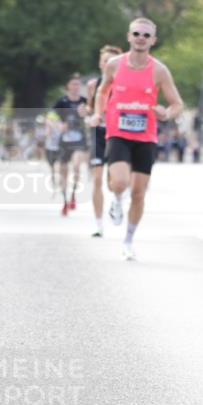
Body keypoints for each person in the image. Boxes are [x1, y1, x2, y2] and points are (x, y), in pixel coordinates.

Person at [90, 17, 184, 260]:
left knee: (139, 193)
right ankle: (116, 199)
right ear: (129, 37)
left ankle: (128, 240)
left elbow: (177, 104)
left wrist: (166, 113)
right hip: (118, 132)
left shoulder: (159, 70)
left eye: (146, 35)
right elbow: (102, 91)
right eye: (136, 34)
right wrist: (98, 113)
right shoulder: (114, 65)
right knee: (119, 182)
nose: (141, 38)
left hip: (146, 136)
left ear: (153, 40)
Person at [86, 45, 122, 237]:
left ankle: (116, 201)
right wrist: (88, 112)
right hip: (98, 135)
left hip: (116, 134)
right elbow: (90, 107)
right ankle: (99, 224)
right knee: (97, 179)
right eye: (105, 60)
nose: (107, 63)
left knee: (113, 182)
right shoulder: (93, 85)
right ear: (100, 64)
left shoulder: (122, 83)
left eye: (111, 60)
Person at [53, 74, 88, 216]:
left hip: (79, 140)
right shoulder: (61, 102)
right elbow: (51, 118)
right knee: (63, 172)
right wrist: (59, 125)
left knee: (76, 166)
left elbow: (91, 115)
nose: (76, 87)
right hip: (64, 141)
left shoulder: (84, 101)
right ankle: (65, 201)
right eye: (73, 84)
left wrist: (86, 115)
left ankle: (73, 194)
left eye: (78, 84)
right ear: (68, 86)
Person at [43, 110, 62, 195]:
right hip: (50, 148)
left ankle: (60, 180)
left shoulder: (60, 126)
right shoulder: (48, 127)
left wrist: (56, 126)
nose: (52, 122)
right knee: (52, 167)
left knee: (57, 165)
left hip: (58, 148)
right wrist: (49, 127)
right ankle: (54, 182)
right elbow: (46, 135)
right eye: (51, 120)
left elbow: (62, 131)